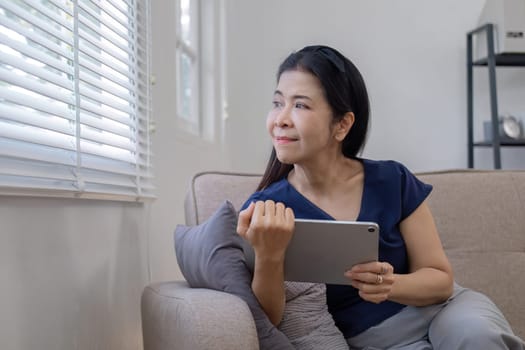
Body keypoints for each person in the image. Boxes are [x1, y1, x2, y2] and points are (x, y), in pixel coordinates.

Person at [236, 45, 525, 349]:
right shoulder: (265, 211)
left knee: (478, 337)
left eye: (300, 106)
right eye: (277, 102)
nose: (280, 119)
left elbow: (441, 280)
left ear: (342, 124)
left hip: (447, 311)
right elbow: (269, 318)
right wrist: (268, 255)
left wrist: (390, 285)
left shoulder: (392, 180)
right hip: (378, 340)